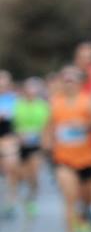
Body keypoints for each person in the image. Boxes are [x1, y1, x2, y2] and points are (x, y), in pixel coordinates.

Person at [47, 66, 91, 232]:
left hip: (87, 158)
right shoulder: (55, 102)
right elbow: (48, 128)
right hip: (64, 158)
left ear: (80, 82)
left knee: (86, 199)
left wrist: (86, 125)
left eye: (73, 79)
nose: (69, 83)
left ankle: (86, 217)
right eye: (66, 80)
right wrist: (46, 145)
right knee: (69, 198)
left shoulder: (89, 102)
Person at [12, 76, 50, 216]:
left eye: (34, 88)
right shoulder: (17, 104)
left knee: (34, 173)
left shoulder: (43, 106)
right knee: (19, 174)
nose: (31, 91)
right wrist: (18, 134)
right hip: (20, 145)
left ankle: (32, 199)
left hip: (36, 144)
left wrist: (42, 138)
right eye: (29, 88)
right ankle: (13, 199)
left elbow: (47, 126)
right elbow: (12, 124)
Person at [0, 70, 19, 216]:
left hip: (7, 135)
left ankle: (10, 200)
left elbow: (17, 119)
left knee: (10, 166)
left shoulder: (13, 98)